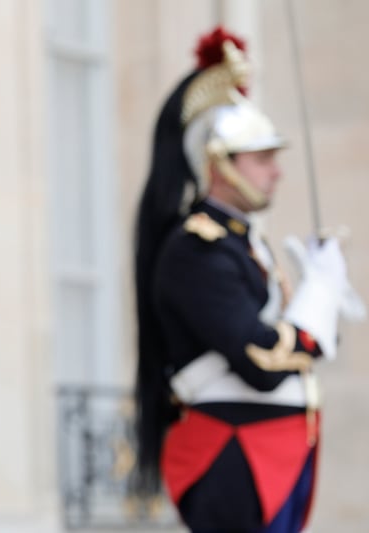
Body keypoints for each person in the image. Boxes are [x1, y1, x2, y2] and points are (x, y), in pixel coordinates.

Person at [132, 27, 364, 531]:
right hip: (233, 454)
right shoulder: (196, 249)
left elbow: (299, 345)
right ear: (219, 165)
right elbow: (262, 360)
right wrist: (318, 296)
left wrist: (319, 299)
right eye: (262, 160)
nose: (275, 173)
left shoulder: (242, 243)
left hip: (272, 447)